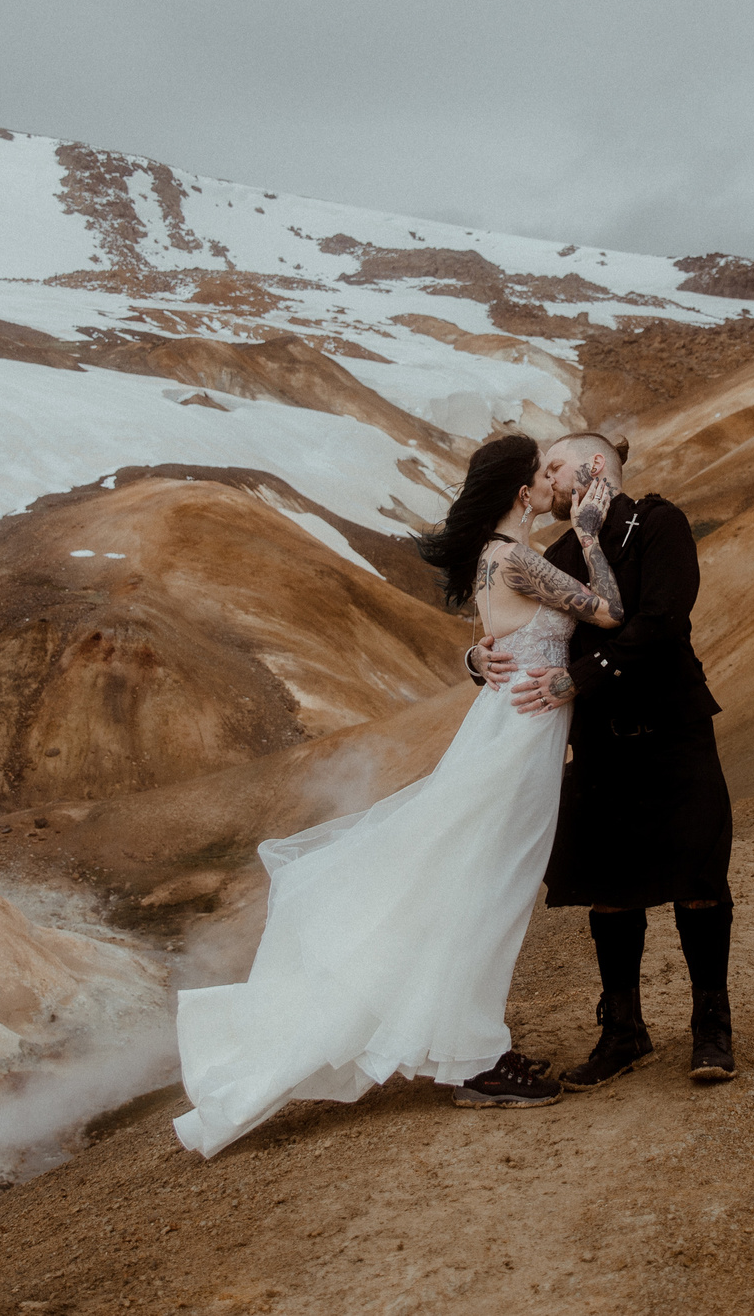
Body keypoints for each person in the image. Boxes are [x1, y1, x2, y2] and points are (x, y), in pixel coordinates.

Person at [170, 433, 628, 1156]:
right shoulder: (519, 558)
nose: (549, 483)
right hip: (518, 738)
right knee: (492, 890)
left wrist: (477, 655)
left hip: (508, 727)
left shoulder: (490, 559)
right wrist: (592, 533)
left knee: (479, 885)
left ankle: (474, 1047)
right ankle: (476, 1059)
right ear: (520, 493)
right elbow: (608, 612)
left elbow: (501, 641)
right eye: (539, 476)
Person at [469, 432, 735, 1087]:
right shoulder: (560, 550)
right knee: (610, 891)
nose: (548, 482)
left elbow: (661, 619)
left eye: (555, 467)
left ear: (593, 467)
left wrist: (579, 680)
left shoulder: (660, 523)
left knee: (699, 878)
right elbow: (514, 619)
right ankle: (623, 1030)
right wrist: (476, 659)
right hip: (600, 743)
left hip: (673, 730)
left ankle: (712, 1028)